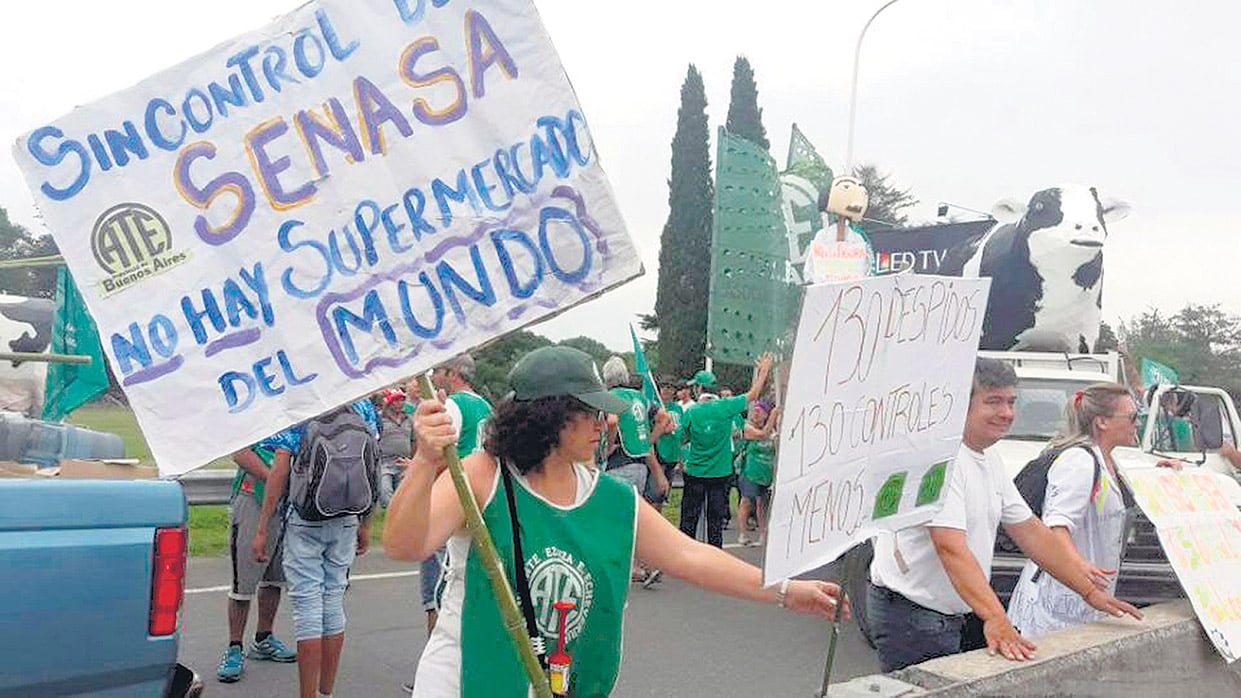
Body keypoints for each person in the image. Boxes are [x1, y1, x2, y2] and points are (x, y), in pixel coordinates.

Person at [383, 346, 849, 696]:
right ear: (550, 417)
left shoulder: (611, 499)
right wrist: (426, 462)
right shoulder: (483, 476)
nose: (603, 423)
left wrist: (788, 591)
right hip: (464, 681)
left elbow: (692, 556)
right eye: (588, 412)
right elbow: (406, 546)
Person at [867, 358, 1141, 673]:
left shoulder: (988, 458)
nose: (1006, 413)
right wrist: (996, 618)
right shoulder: (941, 461)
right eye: (993, 402)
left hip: (958, 610)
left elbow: (1031, 531)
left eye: (1011, 402)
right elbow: (950, 548)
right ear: (960, 404)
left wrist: (1088, 591)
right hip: (913, 614)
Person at [1009, 383, 1183, 637]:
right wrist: (1078, 565)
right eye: (1133, 417)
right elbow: (1056, 525)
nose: (1138, 424)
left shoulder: (1107, 460)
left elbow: (1111, 495)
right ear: (1102, 422)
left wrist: (1160, 471)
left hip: (1086, 597)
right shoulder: (1078, 462)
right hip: (1057, 603)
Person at [253, 398, 380, 698]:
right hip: (347, 515)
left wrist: (262, 528)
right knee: (333, 602)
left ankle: (308, 695)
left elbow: (280, 468)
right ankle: (326, 692)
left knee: (308, 609)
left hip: (305, 518)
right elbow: (372, 465)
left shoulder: (299, 403)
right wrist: (367, 523)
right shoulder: (361, 404)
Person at [424, 353, 494, 633]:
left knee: (438, 584)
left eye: (439, 371)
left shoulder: (454, 404)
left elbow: (440, 449)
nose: (434, 377)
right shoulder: (486, 406)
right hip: (479, 492)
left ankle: (439, 649)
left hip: (452, 492)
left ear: (453, 373)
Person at [216, 443, 297, 683]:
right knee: (245, 580)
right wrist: (274, 478)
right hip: (253, 496)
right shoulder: (257, 411)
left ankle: (263, 638)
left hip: (286, 503)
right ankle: (234, 647)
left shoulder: (292, 416)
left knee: (274, 577)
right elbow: (239, 451)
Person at [679, 355, 774, 548]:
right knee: (715, 521)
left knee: (689, 518)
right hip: (720, 472)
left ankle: (686, 553)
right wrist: (764, 370)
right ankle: (716, 556)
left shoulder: (691, 412)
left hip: (696, 471)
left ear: (699, 389)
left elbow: (683, 438)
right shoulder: (727, 406)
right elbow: (753, 394)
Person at [736, 400, 779, 548]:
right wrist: (774, 415)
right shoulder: (748, 428)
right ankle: (742, 534)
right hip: (750, 471)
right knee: (747, 500)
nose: (756, 413)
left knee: (763, 504)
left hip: (766, 472)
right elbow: (761, 435)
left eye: (759, 411)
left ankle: (763, 533)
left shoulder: (773, 431)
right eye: (754, 411)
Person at [378, 388, 415, 507]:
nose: (400, 403)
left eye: (402, 400)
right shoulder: (380, 418)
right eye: (396, 401)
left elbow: (414, 441)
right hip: (384, 462)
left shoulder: (409, 419)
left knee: (404, 495)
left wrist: (413, 460)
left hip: (404, 461)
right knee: (385, 494)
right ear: (389, 402)